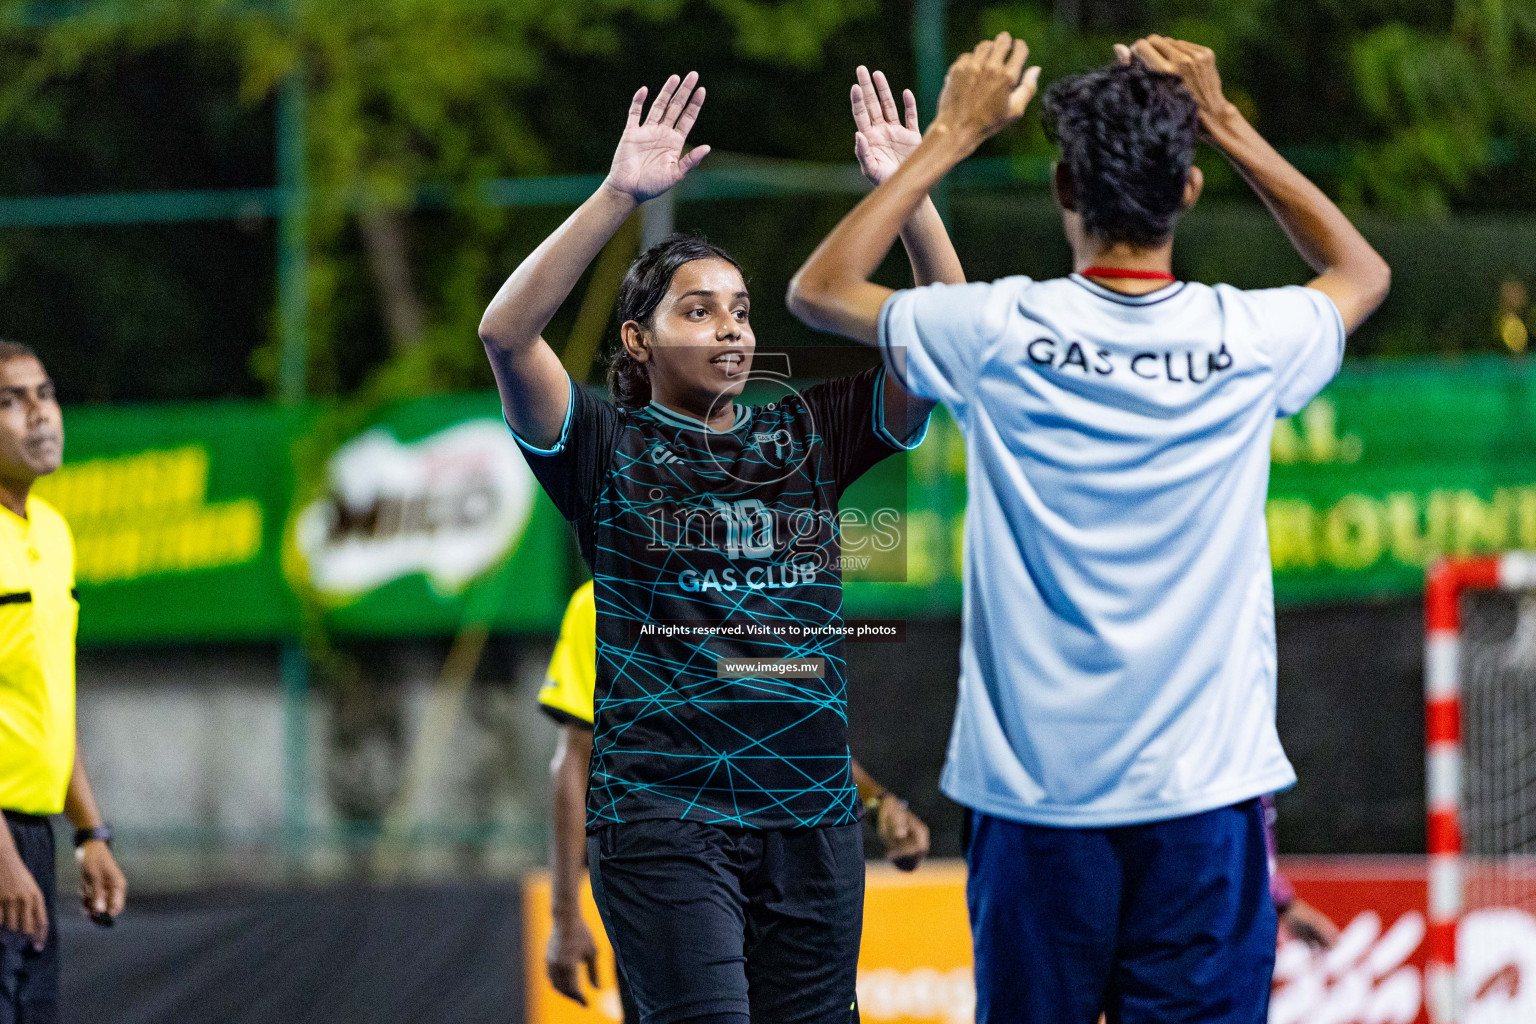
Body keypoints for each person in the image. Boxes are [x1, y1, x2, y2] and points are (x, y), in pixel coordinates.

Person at [787, 31, 1388, 1024]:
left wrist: (948, 139)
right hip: (1206, 807)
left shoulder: (999, 332)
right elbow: (1361, 271)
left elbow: (819, 289)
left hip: (1037, 813)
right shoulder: (1248, 337)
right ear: (1189, 189)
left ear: (1064, 186)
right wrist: (1226, 118)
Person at [481, 67, 955, 1024]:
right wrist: (618, 195)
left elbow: (954, 334)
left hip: (812, 817)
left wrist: (911, 193)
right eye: (698, 310)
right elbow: (506, 332)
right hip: (664, 818)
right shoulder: (603, 444)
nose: (731, 329)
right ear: (638, 341)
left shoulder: (809, 433)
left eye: (740, 310)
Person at [537, 582, 932, 1016]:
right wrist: (565, 915)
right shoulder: (610, 597)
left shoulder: (760, 592)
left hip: (782, 870)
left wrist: (876, 803)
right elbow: (576, 758)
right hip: (671, 869)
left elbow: (784, 740)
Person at [0, 342, 128, 1024]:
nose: (38, 414)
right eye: (9, 401)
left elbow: (52, 704)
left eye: (44, 394)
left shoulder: (51, 531)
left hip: (33, 839)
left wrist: (89, 832)